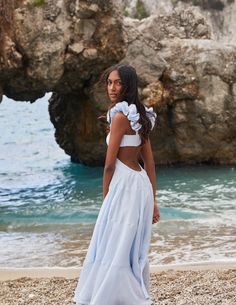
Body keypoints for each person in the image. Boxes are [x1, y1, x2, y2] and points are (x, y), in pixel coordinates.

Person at [73, 63, 160, 305]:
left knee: (114, 238)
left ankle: (115, 294)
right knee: (127, 240)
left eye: (118, 82)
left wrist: (105, 197)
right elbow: (150, 163)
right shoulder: (142, 115)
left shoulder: (121, 117)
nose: (112, 87)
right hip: (140, 184)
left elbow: (109, 164)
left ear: (128, 85)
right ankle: (129, 290)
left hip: (123, 185)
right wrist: (153, 200)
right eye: (109, 82)